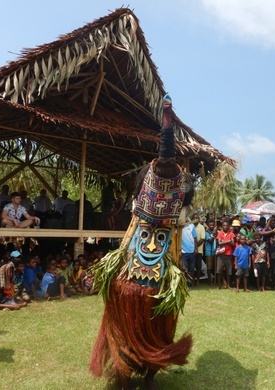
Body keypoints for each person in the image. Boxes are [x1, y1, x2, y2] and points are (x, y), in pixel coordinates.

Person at [90, 95, 193, 389]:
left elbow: (180, 218)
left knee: (158, 312)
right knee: (126, 307)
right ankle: (128, 366)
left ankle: (149, 370)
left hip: (162, 250)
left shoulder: (180, 181)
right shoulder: (150, 175)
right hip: (141, 244)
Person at [216, 221, 236, 289]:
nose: (225, 227)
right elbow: (219, 243)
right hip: (221, 254)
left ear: (228, 226)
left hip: (229, 254)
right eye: (224, 225)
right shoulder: (220, 233)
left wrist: (223, 242)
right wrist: (229, 241)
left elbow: (233, 243)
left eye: (226, 225)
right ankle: (219, 285)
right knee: (219, 270)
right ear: (222, 226)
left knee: (229, 270)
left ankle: (228, 285)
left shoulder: (231, 233)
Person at [181, 218, 197, 286]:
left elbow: (195, 238)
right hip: (183, 251)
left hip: (192, 251)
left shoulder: (192, 226)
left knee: (191, 269)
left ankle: (190, 284)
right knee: (184, 269)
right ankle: (184, 284)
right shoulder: (180, 226)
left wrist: (196, 249)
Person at [192, 213, 205, 286]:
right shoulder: (189, 226)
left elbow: (202, 239)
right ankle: (192, 280)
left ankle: (198, 281)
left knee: (198, 267)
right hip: (190, 250)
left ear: (199, 219)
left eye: (197, 218)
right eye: (194, 218)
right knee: (192, 267)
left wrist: (195, 247)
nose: (195, 219)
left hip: (199, 251)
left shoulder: (202, 227)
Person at [204, 219, 217, 286]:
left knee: (214, 267)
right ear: (208, 226)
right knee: (209, 267)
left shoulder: (216, 232)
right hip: (208, 252)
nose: (212, 226)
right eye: (210, 225)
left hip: (215, 251)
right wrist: (213, 234)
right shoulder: (206, 233)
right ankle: (209, 281)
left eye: (213, 225)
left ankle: (215, 280)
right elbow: (210, 241)